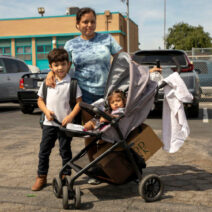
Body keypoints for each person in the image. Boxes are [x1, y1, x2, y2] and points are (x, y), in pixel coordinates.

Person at [31, 48, 82, 191]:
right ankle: (41, 177)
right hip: (49, 124)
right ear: (51, 67)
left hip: (65, 125)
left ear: (69, 64)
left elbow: (79, 102)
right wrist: (46, 112)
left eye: (63, 64)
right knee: (44, 151)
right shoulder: (47, 83)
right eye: (56, 65)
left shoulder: (72, 83)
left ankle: (66, 176)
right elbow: (40, 101)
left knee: (65, 151)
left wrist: (70, 116)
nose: (60, 68)